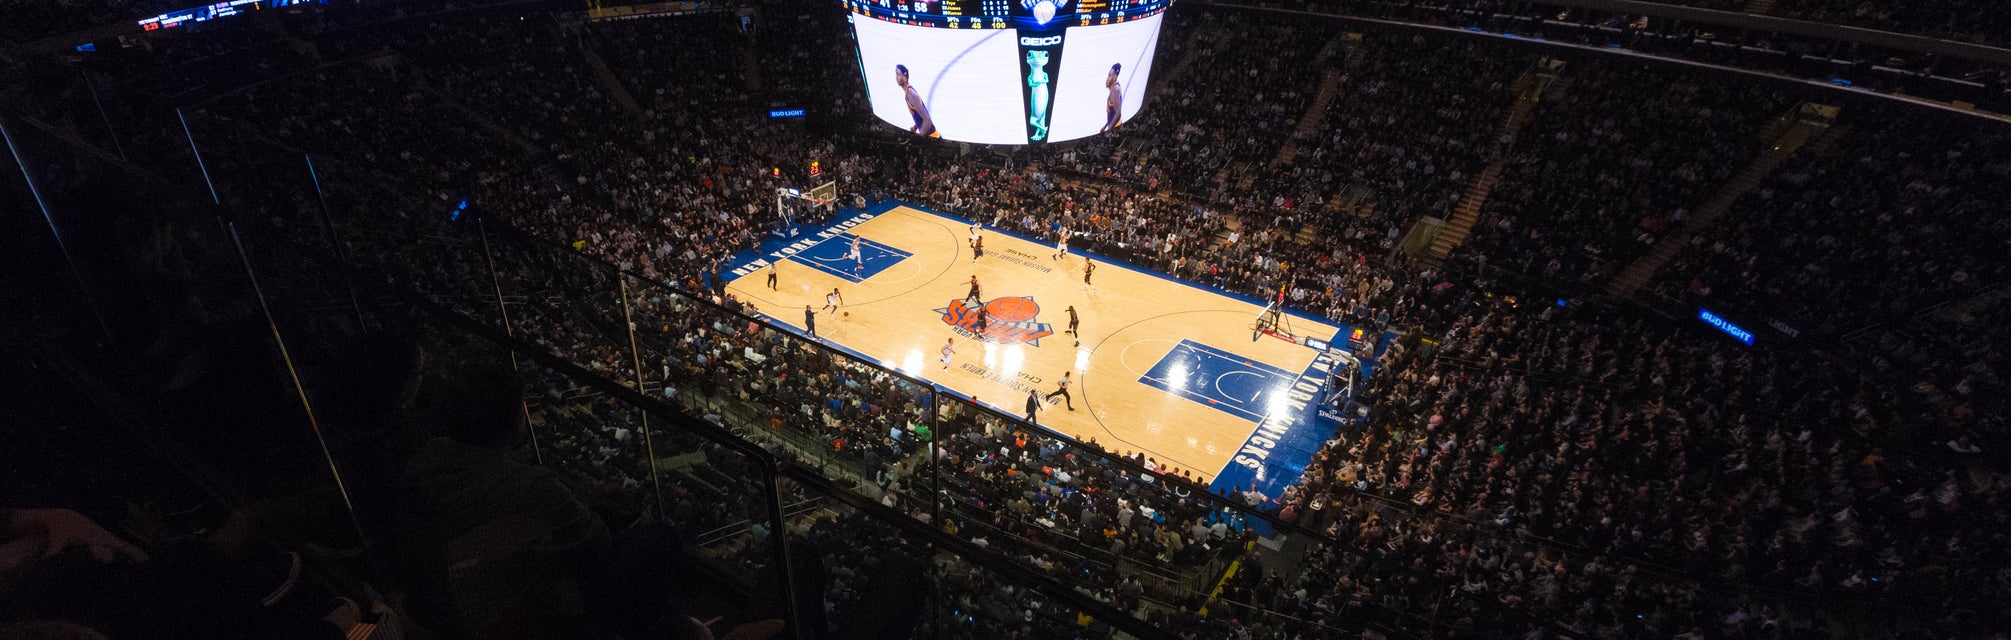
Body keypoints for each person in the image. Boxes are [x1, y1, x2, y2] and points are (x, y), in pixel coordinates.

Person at [896, 64, 937, 137]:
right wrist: (915, 127)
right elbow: (921, 114)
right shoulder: (908, 93)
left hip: (932, 136)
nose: (896, 77)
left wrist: (919, 136)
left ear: (905, 77)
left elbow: (928, 121)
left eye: (898, 74)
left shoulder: (911, 95)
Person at [1102, 63, 1124, 133]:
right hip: (1113, 127)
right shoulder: (1113, 89)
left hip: (1115, 129)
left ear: (1114, 76)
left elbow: (1118, 112)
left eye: (1109, 76)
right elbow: (1113, 112)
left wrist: (1109, 130)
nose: (1107, 79)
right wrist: (1105, 126)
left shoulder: (1115, 91)